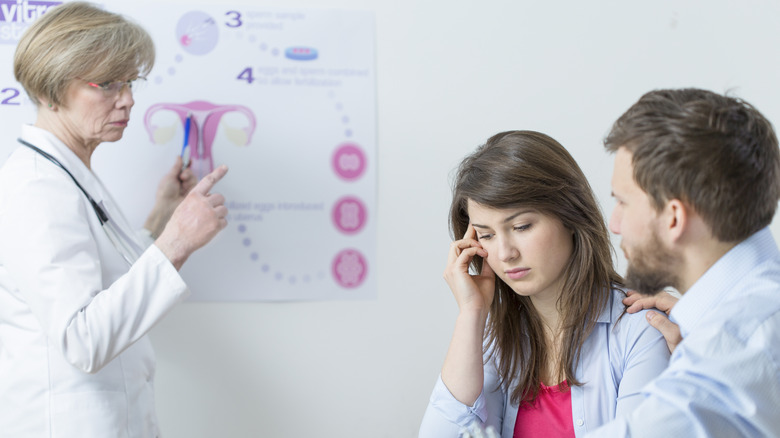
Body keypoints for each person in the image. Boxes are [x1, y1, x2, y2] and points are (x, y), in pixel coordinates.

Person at [0, 3, 229, 436]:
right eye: (106, 84)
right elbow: (81, 339)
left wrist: (164, 214)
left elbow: (108, 281)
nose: (127, 99)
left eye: (129, 82)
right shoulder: (36, 187)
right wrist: (177, 241)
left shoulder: (67, 172)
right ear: (49, 91)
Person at [419, 131, 670, 437]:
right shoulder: (491, 339)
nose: (505, 253)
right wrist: (471, 313)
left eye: (521, 226)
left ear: (570, 216)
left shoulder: (640, 327)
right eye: (486, 235)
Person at [587, 88, 780, 437]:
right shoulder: (752, 318)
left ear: (674, 218)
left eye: (623, 203)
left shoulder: (736, 345)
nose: (614, 224)